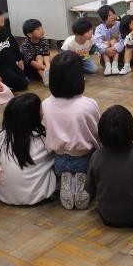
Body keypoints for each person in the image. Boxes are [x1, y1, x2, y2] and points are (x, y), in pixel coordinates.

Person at [43, 50, 101, 210]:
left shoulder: (45, 104)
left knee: (64, 162)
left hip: (59, 157)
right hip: (84, 156)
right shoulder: (88, 104)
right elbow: (97, 132)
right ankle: (84, 181)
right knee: (94, 159)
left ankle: (66, 178)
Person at [0, 93, 57, 206]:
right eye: (40, 108)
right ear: (33, 116)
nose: (43, 112)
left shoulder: (3, 137)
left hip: (6, 197)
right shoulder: (43, 138)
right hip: (39, 197)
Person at [0, 6, 28, 91]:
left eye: (1, 15)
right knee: (21, 84)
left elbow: (14, 45)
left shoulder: (5, 31)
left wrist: (19, 59)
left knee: (24, 80)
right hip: (0, 68)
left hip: (11, 63)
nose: (1, 18)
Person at [94, 5, 125, 76]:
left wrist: (115, 47)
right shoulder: (99, 28)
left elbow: (123, 39)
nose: (113, 17)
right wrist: (106, 49)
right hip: (105, 55)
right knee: (105, 42)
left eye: (113, 14)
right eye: (109, 15)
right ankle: (108, 66)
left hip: (118, 53)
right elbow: (97, 42)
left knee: (114, 41)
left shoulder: (119, 25)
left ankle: (114, 65)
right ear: (103, 19)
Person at [20, 18, 51, 86]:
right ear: (29, 34)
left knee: (40, 56)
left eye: (41, 28)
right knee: (38, 57)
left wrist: (48, 66)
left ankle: (46, 76)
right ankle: (45, 77)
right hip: (30, 69)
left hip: (42, 66)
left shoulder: (44, 41)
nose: (42, 30)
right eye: (38, 29)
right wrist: (48, 69)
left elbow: (46, 55)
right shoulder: (25, 45)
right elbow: (32, 63)